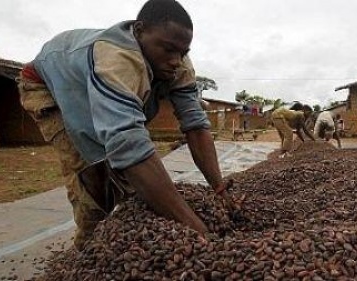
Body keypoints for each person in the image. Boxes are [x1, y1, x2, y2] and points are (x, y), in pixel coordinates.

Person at [17, 0, 233, 250]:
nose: (176, 60)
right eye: (168, 49)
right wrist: (197, 229)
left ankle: (122, 231)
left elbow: (195, 124)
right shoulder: (116, 61)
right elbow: (128, 144)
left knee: (132, 182)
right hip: (49, 85)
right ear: (139, 31)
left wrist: (219, 186)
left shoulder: (179, 63)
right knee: (93, 171)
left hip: (91, 77)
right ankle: (88, 249)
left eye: (183, 52)